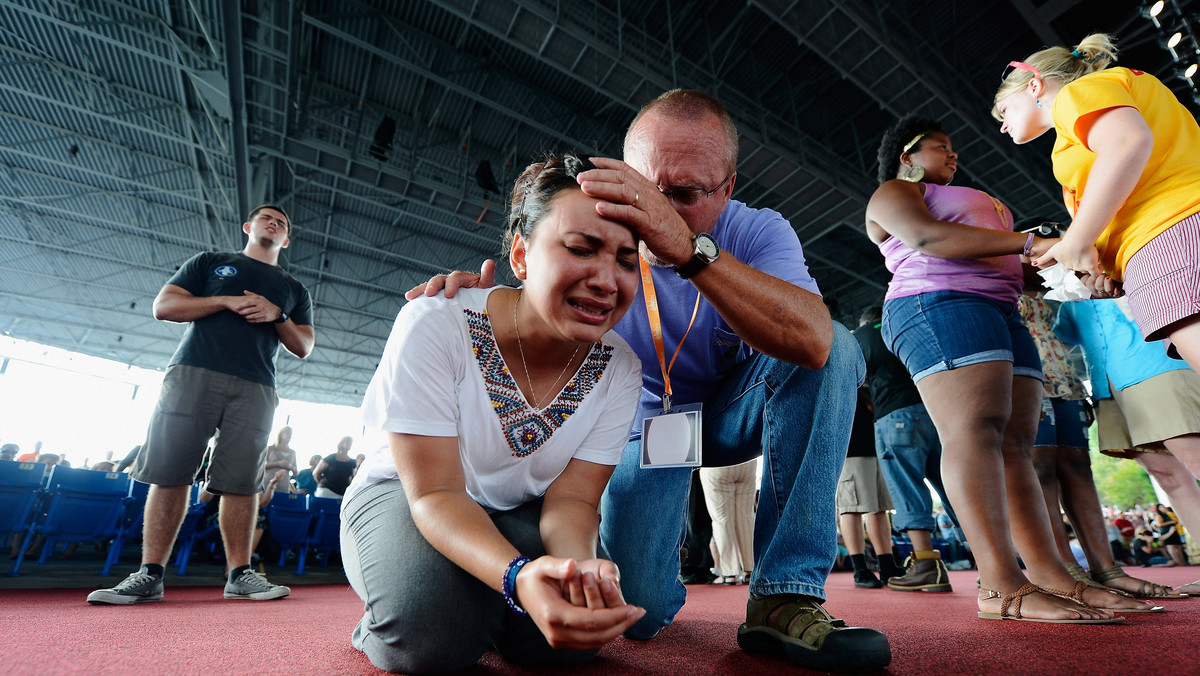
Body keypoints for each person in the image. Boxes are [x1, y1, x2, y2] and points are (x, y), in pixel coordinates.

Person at [410, 89, 890, 672]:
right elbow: (530, 285)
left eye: (684, 196)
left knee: (834, 349)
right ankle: (612, 554)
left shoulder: (758, 231)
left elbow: (813, 340)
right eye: (646, 189)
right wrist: (480, 301)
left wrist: (688, 249)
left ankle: (785, 595)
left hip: (733, 411)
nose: (656, 213)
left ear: (728, 188)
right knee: (642, 614)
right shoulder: (597, 232)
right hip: (642, 432)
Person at [340, 153, 646, 673]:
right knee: (429, 640)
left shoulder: (621, 367)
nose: (605, 279)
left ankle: (483, 606)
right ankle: (390, 615)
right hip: (406, 494)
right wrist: (516, 577)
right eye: (580, 248)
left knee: (570, 644)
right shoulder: (435, 323)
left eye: (625, 260)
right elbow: (435, 493)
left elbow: (573, 498)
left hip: (513, 509)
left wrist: (582, 569)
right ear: (522, 257)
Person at [864, 114, 1149, 622]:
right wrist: (1032, 243)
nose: (952, 154)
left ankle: (1055, 576)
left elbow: (1018, 267)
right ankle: (998, 584)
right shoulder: (894, 191)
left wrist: (1079, 271)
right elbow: (928, 239)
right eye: (939, 147)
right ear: (907, 156)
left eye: (953, 148)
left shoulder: (977, 200)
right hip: (936, 302)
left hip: (1002, 308)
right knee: (975, 430)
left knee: (1018, 445)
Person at [86, 204, 314, 605]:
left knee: (243, 482)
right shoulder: (211, 263)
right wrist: (224, 301)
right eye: (266, 218)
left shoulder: (294, 289)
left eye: (282, 222)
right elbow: (165, 307)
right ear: (248, 227)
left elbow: (303, 345)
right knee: (170, 472)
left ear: (287, 239)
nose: (274, 223)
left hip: (257, 384)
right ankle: (150, 574)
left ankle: (240, 575)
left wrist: (278, 314)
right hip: (194, 371)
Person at [994, 34, 1200, 371]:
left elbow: (1127, 141)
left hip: (1168, 236)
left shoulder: (1076, 94)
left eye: (1004, 109)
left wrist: (1077, 240)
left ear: (1034, 86)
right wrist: (1108, 264)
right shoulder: (1100, 104)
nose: (1002, 126)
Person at [1055, 297, 1200, 595]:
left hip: (1156, 361)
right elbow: (1064, 333)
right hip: (1106, 379)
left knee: (1195, 458)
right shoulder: (1058, 282)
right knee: (1167, 476)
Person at [853, 305, 960, 590]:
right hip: (936, 410)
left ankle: (926, 564)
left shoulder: (862, 335)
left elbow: (852, 378)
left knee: (906, 487)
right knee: (953, 485)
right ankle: (991, 564)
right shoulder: (908, 324)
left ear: (865, 322)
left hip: (895, 415)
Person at [836, 387, 905, 589]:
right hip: (849, 450)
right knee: (851, 508)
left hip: (878, 448)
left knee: (880, 507)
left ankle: (887, 565)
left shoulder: (865, 381)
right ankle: (860, 569)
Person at [262, 426, 298, 491]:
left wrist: (290, 466)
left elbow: (296, 472)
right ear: (281, 434)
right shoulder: (270, 448)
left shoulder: (293, 453)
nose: (289, 435)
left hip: (284, 485)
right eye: (287, 433)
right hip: (268, 482)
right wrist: (277, 463)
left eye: (291, 434)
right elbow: (261, 466)